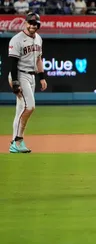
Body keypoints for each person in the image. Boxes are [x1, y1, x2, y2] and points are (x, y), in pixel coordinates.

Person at [8, 12, 47, 153]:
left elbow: (38, 60)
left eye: (35, 24)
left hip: (32, 76)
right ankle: (17, 140)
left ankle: (16, 144)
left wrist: (42, 77)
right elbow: (12, 62)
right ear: (25, 23)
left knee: (20, 111)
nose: (32, 26)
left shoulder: (39, 39)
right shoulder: (17, 39)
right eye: (30, 23)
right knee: (29, 107)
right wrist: (16, 82)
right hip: (19, 74)